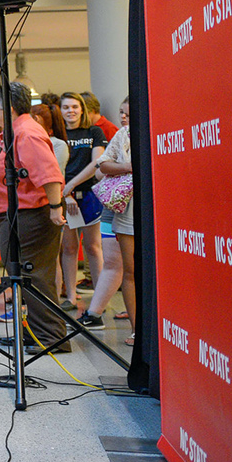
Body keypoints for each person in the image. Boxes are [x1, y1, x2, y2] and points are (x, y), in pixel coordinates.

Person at [0, 81, 66, 350]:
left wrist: (55, 208)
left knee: (35, 277)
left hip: (31, 216)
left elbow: (48, 173)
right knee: (25, 278)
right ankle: (34, 332)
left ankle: (52, 338)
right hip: (13, 217)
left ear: (7, 106)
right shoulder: (11, 131)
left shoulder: (27, 132)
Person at [80, 98, 134, 337]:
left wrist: (119, 167)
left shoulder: (153, 134)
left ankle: (133, 324)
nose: (123, 118)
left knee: (132, 269)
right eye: (121, 113)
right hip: (115, 206)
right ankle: (98, 314)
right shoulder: (121, 135)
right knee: (117, 263)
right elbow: (102, 169)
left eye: (127, 114)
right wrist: (128, 167)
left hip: (135, 208)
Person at [59, 91, 106, 309]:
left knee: (93, 247)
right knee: (68, 248)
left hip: (89, 195)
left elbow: (97, 163)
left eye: (74, 107)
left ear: (82, 109)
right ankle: (70, 296)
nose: (71, 111)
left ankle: (99, 298)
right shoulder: (57, 135)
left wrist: (73, 185)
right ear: (60, 111)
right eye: (66, 107)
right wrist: (66, 193)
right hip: (65, 198)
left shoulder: (94, 132)